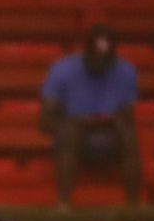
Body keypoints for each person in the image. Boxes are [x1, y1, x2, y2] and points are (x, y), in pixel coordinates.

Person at [39, 26, 141, 205]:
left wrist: (113, 122)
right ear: (85, 52)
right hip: (74, 136)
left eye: (105, 60)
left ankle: (133, 206)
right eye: (95, 58)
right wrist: (78, 123)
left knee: (129, 134)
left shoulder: (126, 72)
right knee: (69, 133)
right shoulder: (62, 71)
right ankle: (63, 204)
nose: (99, 64)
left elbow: (129, 119)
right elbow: (45, 121)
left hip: (110, 137)